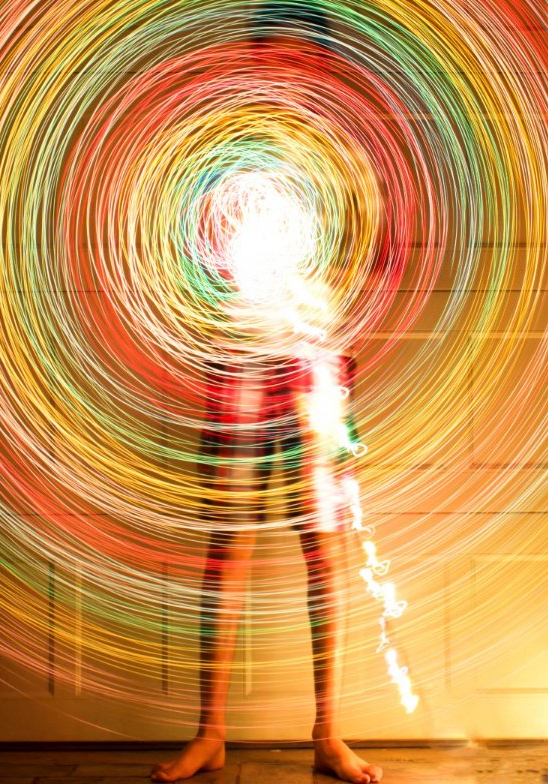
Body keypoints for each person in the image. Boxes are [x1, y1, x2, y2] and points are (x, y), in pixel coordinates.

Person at [150, 166, 383, 783]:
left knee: (324, 558)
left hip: (311, 373)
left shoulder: (326, 170)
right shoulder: (227, 174)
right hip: (242, 370)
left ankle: (328, 736)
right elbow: (194, 261)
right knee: (226, 553)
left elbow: (369, 245)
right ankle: (211, 735)